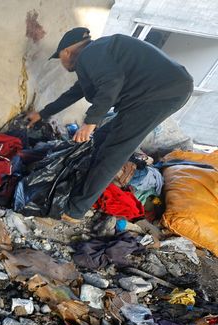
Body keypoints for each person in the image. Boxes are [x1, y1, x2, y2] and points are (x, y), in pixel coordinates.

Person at [26, 27, 193, 221]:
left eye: (60, 58)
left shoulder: (91, 53)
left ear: (66, 52)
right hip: (159, 92)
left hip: (159, 94)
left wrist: (91, 121)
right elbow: (74, 93)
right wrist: (43, 114)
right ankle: (77, 189)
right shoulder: (98, 54)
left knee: (112, 153)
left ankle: (74, 210)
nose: (62, 63)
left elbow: (111, 83)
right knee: (98, 140)